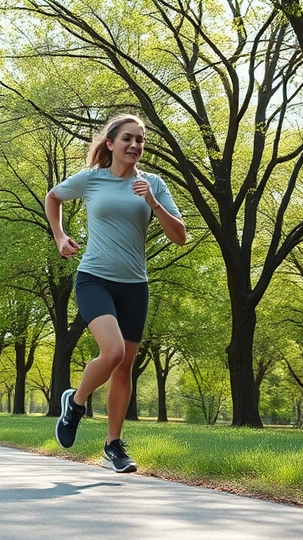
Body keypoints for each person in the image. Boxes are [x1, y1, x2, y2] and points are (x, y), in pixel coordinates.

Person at [45, 114, 186, 473]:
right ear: (110, 143)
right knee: (113, 352)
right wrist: (60, 236)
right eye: (128, 139)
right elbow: (53, 197)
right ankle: (75, 403)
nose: (135, 146)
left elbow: (179, 235)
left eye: (140, 140)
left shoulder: (153, 183)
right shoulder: (92, 180)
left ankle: (113, 445)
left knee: (124, 368)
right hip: (95, 278)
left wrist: (153, 203)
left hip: (135, 286)